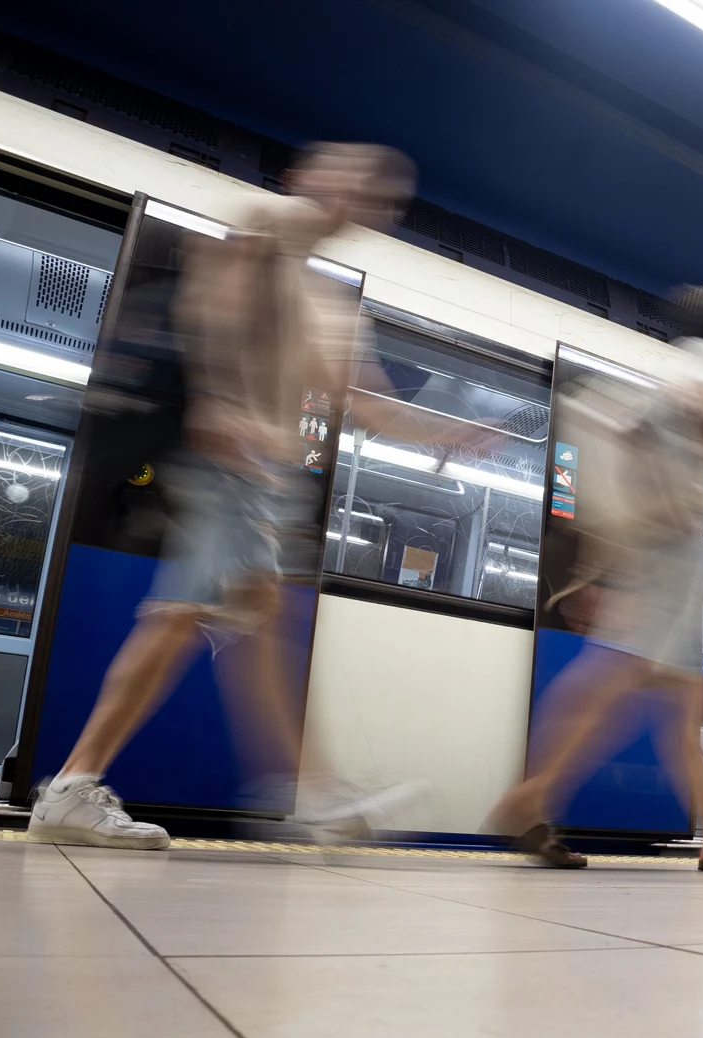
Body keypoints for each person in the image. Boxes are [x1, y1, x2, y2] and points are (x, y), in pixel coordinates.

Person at [28, 143, 462, 849]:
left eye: (379, 192)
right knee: (184, 616)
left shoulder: (322, 297)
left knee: (254, 620)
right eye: (350, 174)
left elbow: (362, 397)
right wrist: (218, 399)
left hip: (264, 475)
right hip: (232, 461)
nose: (362, 194)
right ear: (306, 178)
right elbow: (211, 299)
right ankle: (78, 786)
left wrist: (449, 434)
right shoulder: (271, 222)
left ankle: (301, 787)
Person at [482, 290, 703, 870]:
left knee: (673, 697)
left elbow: (690, 431)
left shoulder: (682, 360)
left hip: (662, 543)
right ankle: (527, 800)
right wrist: (675, 496)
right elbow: (685, 419)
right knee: (616, 671)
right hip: (666, 543)